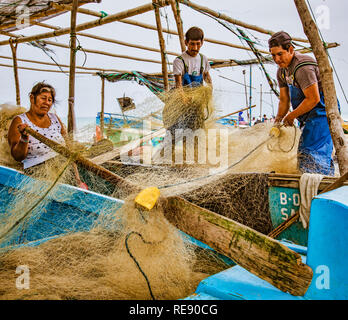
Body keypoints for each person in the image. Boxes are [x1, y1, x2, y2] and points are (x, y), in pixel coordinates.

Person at [269, 31, 339, 176]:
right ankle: (309, 186)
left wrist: (291, 116)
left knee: (312, 152)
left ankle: (319, 189)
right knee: (304, 153)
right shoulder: (282, 72)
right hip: (307, 114)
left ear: (290, 50)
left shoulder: (302, 67)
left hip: (321, 111)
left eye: (280, 54)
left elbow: (313, 98)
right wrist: (277, 122)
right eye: (273, 55)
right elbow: (284, 100)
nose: (277, 59)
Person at [7, 82, 87, 188]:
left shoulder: (55, 119)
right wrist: (24, 138)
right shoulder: (20, 121)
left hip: (65, 171)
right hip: (38, 175)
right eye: (43, 98)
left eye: (50, 100)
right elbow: (17, 156)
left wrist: (78, 180)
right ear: (32, 98)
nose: (47, 103)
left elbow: (69, 152)